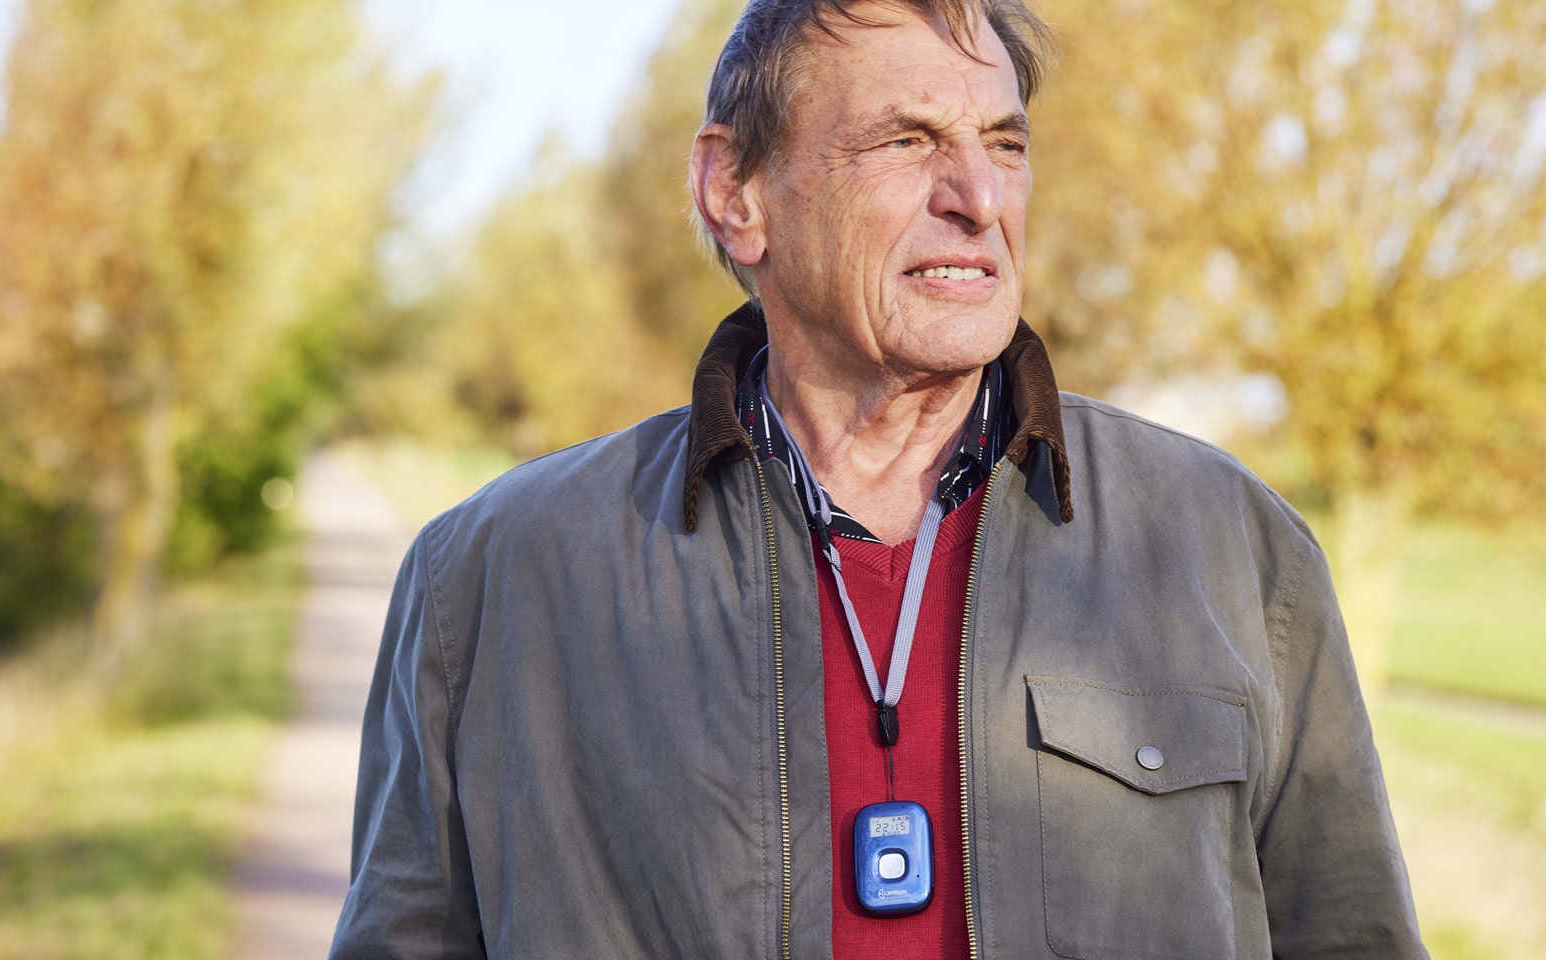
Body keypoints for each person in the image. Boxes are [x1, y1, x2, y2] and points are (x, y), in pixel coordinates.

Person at [329, 0, 1427, 956]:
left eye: (1004, 143)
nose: (977, 196)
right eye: (907, 142)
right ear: (735, 192)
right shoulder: (493, 579)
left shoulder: (1230, 547)